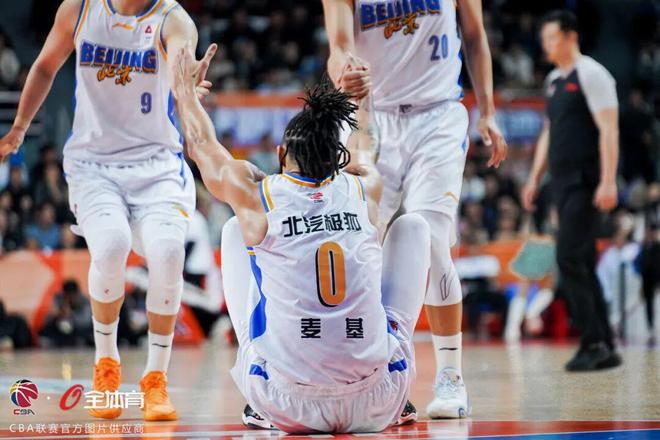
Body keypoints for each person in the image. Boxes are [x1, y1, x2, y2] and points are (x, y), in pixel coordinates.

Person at [172, 46, 429, 434]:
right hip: (376, 401)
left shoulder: (256, 195)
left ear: (280, 154)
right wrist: (362, 99)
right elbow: (365, 144)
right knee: (413, 227)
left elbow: (202, 146)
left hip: (286, 404)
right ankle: (399, 394)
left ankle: (259, 400)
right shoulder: (365, 188)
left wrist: (185, 95)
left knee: (234, 230)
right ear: (339, 158)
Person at [0, 0, 216, 421]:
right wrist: (19, 128)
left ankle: (155, 379)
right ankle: (106, 366)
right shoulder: (79, 9)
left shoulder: (173, 20)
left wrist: (185, 86)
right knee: (112, 244)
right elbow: (44, 67)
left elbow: (181, 75)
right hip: (94, 165)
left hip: (156, 165)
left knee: (169, 252)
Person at [322, 0, 508, 417]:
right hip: (371, 118)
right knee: (356, 244)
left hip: (437, 115)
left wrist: (488, 110)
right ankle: (363, 376)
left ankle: (450, 378)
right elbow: (339, 46)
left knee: (432, 239)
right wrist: (343, 72)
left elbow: (474, 35)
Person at [521, 10, 621, 371]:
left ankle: (593, 342)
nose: (547, 45)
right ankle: (604, 343)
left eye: (552, 38)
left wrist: (608, 180)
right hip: (561, 183)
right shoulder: (552, 81)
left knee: (567, 258)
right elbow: (549, 132)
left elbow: (609, 129)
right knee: (582, 260)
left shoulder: (593, 74)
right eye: (545, 40)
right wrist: (534, 178)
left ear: (570, 37)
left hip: (586, 181)